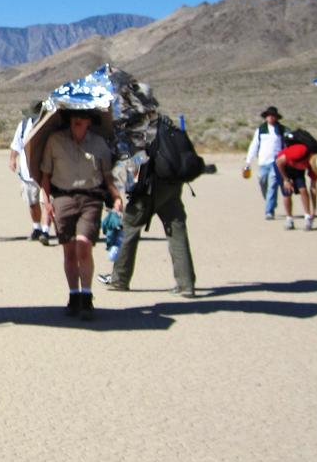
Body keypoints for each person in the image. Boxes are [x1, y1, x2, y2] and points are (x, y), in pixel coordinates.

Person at [37, 110, 122, 318]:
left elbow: (107, 176)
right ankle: (74, 295)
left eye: (82, 117)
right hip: (63, 198)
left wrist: (117, 198)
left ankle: (87, 296)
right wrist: (45, 201)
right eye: (74, 116)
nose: (78, 120)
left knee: (83, 246)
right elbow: (46, 175)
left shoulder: (99, 144)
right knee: (69, 251)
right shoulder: (55, 141)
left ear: (89, 121)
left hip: (91, 198)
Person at [101, 132, 199, 298]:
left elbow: (132, 163)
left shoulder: (135, 129)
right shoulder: (166, 128)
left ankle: (120, 279)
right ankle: (186, 284)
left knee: (130, 226)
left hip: (150, 186)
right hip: (172, 181)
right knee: (176, 229)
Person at [8, 102, 52, 243]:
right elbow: (16, 144)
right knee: (32, 202)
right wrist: (12, 159)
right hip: (27, 173)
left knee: (45, 202)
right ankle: (37, 227)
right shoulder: (23, 126)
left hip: (45, 171)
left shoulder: (49, 125)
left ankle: (45, 231)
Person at [243, 106, 287, 220]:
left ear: (276, 117)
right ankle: (270, 201)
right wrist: (248, 161)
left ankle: (269, 211)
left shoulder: (282, 130)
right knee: (263, 182)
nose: (271, 117)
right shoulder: (261, 130)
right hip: (263, 162)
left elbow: (287, 144)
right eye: (269, 115)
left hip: (276, 162)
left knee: (272, 185)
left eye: (273, 115)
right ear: (266, 117)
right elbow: (254, 145)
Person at [275, 139, 317, 230]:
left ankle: (307, 218)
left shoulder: (316, 166)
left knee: (303, 190)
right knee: (287, 192)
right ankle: (289, 220)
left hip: (298, 168)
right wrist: (286, 180)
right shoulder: (299, 151)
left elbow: (313, 188)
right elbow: (279, 162)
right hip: (283, 167)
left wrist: (314, 210)